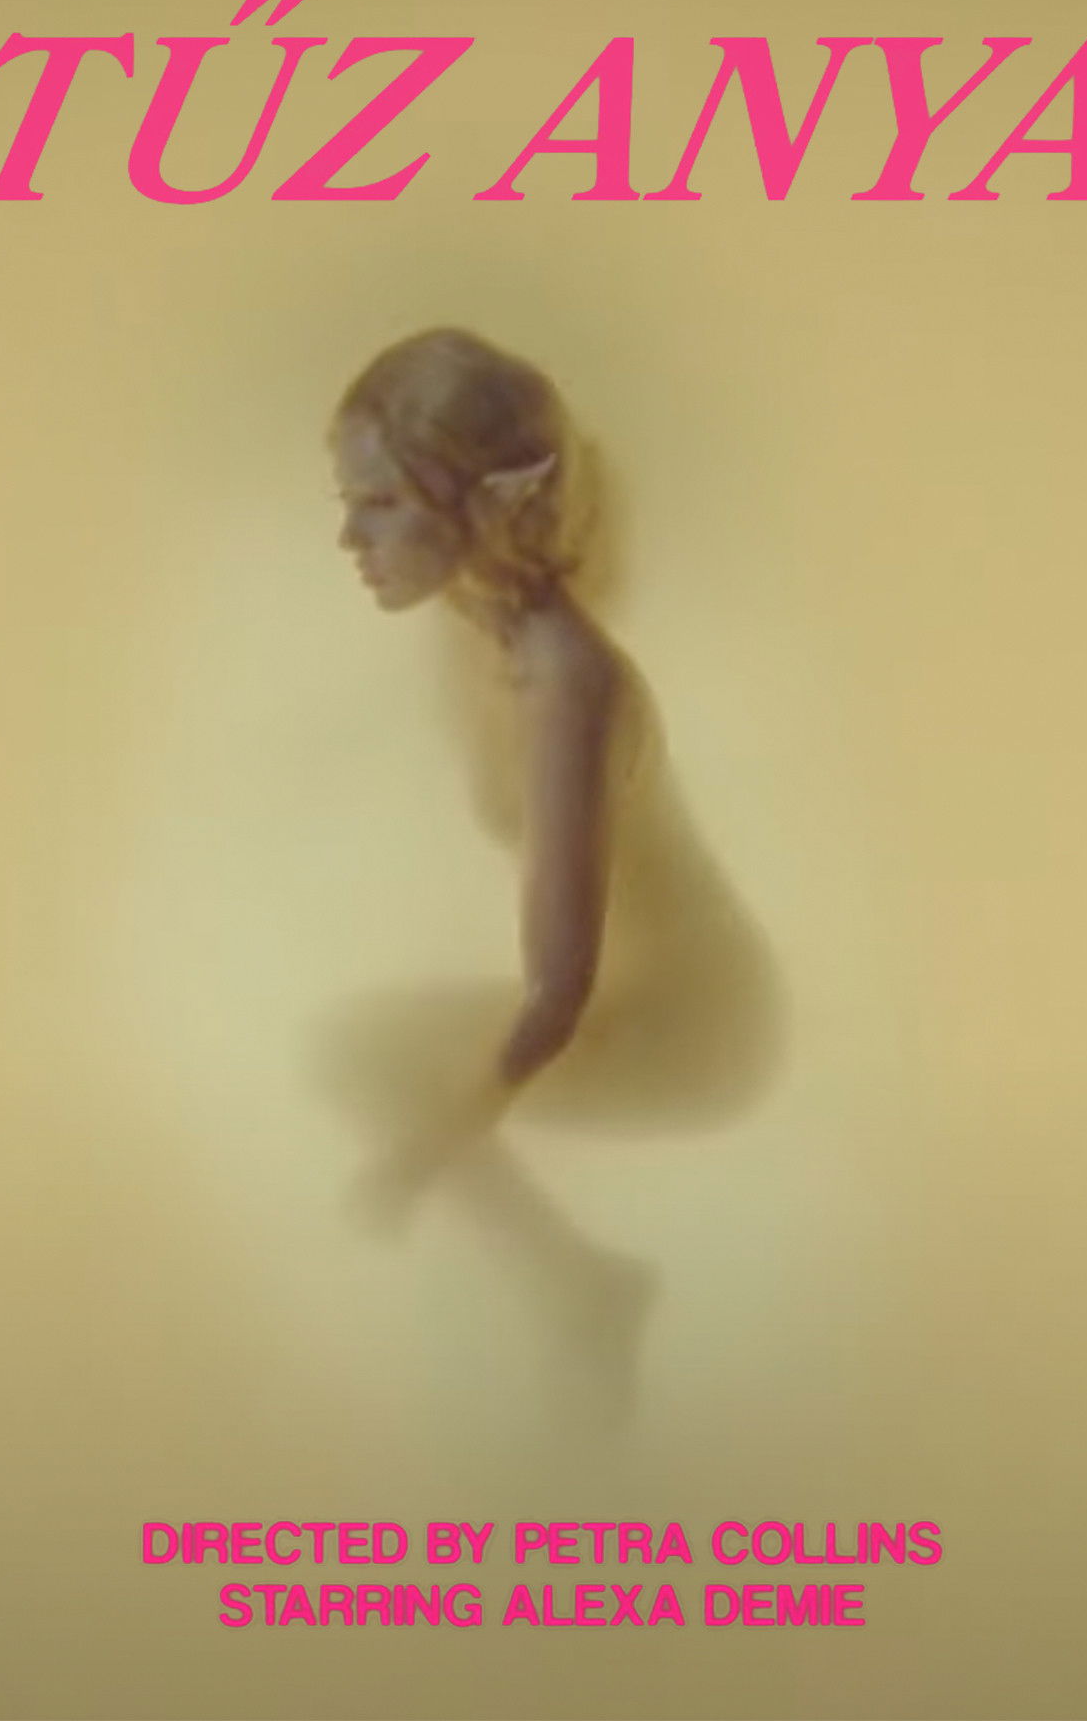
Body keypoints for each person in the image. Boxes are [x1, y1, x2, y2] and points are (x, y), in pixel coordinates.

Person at [324, 327, 776, 1417]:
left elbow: (555, 998)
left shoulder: (568, 681)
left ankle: (582, 1295)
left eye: (379, 503)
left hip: (693, 1021)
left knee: (372, 1064)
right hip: (616, 997)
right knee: (352, 1047)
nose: (347, 537)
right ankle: (581, 1292)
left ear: (479, 506)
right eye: (347, 502)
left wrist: (421, 1159)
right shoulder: (474, 625)